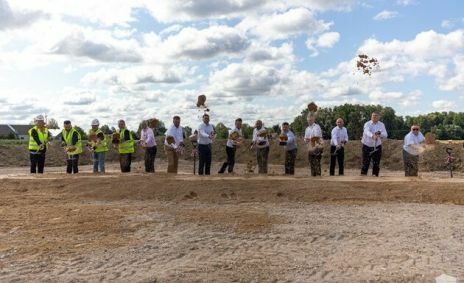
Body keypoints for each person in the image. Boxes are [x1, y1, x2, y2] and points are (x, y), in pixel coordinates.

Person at [361, 112, 388, 177]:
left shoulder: (381, 124)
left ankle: (375, 175)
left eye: (376, 116)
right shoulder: (367, 124)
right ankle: (363, 175)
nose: (374, 117)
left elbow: (385, 135)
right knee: (365, 161)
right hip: (366, 145)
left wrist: (379, 134)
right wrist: (372, 136)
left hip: (377, 145)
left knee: (376, 162)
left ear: (379, 117)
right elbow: (366, 131)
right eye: (373, 116)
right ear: (371, 116)